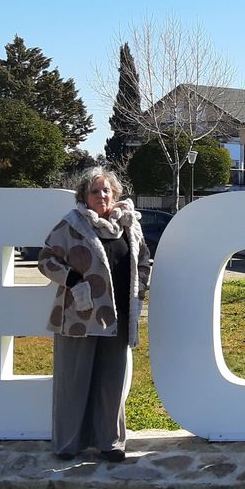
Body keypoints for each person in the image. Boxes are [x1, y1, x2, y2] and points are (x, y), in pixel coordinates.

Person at [38, 166, 152, 462]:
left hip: (119, 316)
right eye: (95, 191)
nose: (102, 196)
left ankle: (110, 442)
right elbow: (46, 259)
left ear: (115, 194)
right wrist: (74, 282)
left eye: (106, 190)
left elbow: (143, 259)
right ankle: (68, 444)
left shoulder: (129, 224)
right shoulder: (71, 224)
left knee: (112, 382)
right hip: (80, 316)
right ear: (83, 196)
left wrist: (139, 290)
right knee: (74, 381)